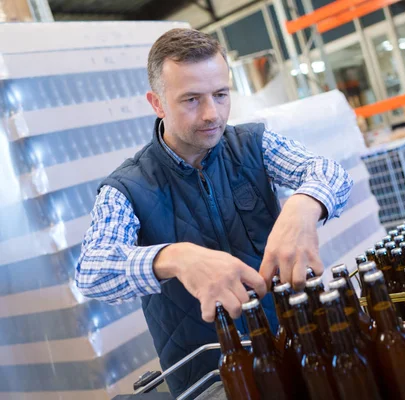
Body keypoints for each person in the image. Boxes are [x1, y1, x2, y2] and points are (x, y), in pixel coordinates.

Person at [75, 28, 353, 396]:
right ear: (157, 103)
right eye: (191, 99)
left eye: (221, 95)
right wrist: (174, 258)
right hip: (211, 380)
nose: (212, 114)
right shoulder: (127, 187)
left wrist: (305, 206)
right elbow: (92, 271)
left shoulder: (253, 145)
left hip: (292, 354)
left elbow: (330, 173)